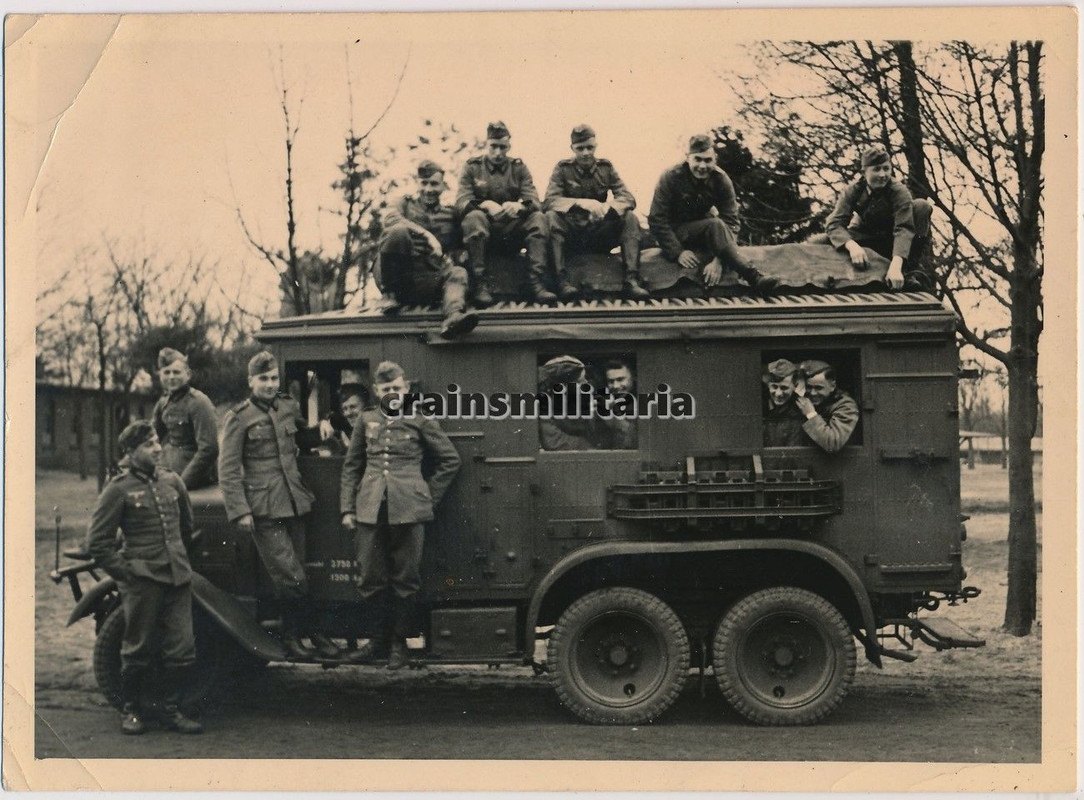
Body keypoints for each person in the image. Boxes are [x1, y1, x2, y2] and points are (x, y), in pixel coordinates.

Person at [218, 351, 348, 660]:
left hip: (294, 501)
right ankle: (305, 635)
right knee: (291, 575)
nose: (269, 384)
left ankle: (299, 635)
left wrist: (320, 432)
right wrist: (240, 510)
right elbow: (228, 468)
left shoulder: (287, 407)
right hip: (263, 508)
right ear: (251, 381)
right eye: (263, 379)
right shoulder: (239, 418)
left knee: (297, 572)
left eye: (274, 378)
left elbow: (301, 439)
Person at [339, 361, 462, 670]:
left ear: (405, 389)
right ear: (377, 391)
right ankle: (377, 641)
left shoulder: (419, 419)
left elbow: (450, 460)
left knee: (406, 578)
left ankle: (399, 645)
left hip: (409, 510)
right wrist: (348, 508)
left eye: (396, 388)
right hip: (370, 509)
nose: (392, 393)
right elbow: (352, 466)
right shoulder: (366, 420)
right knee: (370, 576)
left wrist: (426, 498)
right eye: (385, 389)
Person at [87, 421, 203, 735]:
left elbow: (186, 528)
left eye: (157, 442)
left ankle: (171, 711)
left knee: (182, 648)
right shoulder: (118, 488)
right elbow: (97, 543)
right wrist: (128, 573)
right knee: (137, 648)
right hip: (143, 580)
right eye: (149, 445)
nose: (157, 448)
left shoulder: (172, 481)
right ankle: (132, 710)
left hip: (177, 578)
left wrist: (178, 559)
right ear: (131, 452)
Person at [648, 134, 779, 296]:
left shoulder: (721, 180)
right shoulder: (671, 177)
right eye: (697, 159)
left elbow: (731, 222)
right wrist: (677, 252)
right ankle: (753, 276)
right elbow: (656, 219)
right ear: (688, 158)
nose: (702, 166)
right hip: (674, 232)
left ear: (715, 159)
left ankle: (756, 278)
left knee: (715, 223)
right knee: (714, 223)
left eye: (708, 160)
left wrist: (719, 260)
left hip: (705, 232)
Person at [543, 124, 649, 301]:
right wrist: (580, 203)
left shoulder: (605, 168)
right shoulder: (562, 169)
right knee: (551, 218)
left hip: (599, 234)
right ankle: (562, 282)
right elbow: (549, 201)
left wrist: (609, 207)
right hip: (573, 236)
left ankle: (631, 280)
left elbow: (628, 198)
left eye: (589, 147)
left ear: (595, 146)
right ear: (572, 148)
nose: (585, 153)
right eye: (580, 148)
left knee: (630, 218)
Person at [456, 121, 556, 306]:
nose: (498, 152)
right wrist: (484, 204)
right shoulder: (472, 167)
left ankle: (536, 282)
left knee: (538, 219)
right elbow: (462, 203)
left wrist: (520, 206)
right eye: (493, 146)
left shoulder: (518, 168)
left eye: (503, 147)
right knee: (474, 218)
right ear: (486, 144)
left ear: (509, 146)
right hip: (485, 233)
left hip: (512, 232)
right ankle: (480, 284)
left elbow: (534, 200)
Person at [377, 160, 480, 340]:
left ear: (442, 186)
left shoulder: (450, 214)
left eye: (434, 184)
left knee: (458, 272)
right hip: (401, 278)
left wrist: (457, 256)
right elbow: (390, 219)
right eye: (424, 183)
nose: (428, 189)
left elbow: (459, 246)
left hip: (429, 279)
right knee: (398, 232)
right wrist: (426, 235)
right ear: (417, 184)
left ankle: (453, 317)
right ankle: (389, 295)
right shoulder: (404, 204)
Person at [823, 145, 934, 291]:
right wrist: (852, 246)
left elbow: (904, 228)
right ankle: (831, 276)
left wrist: (897, 265)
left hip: (893, 241)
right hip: (865, 237)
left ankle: (907, 272)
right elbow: (834, 223)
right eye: (876, 169)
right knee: (818, 241)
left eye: (886, 169)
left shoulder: (898, 191)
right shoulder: (853, 191)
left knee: (921, 206)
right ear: (864, 172)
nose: (883, 175)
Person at [151, 347, 218, 489]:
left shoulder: (199, 402)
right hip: (168, 469)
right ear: (160, 375)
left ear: (188, 374)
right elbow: (150, 437)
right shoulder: (163, 402)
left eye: (176, 372)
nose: (171, 377)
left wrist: (182, 483)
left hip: (193, 476)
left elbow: (209, 449)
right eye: (166, 372)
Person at [537, 356, 633, 451]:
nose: (586, 384)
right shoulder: (544, 409)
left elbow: (627, 442)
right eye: (581, 381)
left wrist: (613, 418)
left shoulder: (594, 405)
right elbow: (555, 441)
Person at [795, 360, 860, 453]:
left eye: (818, 388)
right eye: (809, 387)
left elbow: (833, 443)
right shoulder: (805, 401)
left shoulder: (846, 406)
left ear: (832, 386)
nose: (812, 393)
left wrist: (810, 414)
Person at [762, 358, 805, 447]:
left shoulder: (800, 410)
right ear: (768, 385)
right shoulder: (758, 404)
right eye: (774, 387)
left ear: (795, 385)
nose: (778, 394)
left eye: (784, 388)